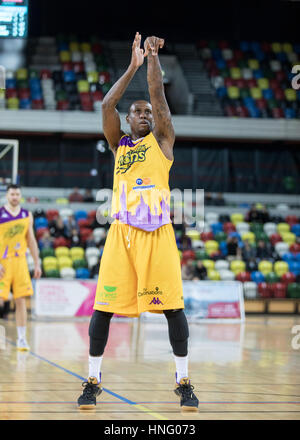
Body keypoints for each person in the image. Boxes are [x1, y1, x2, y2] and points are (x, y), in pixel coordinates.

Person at [77, 33, 198, 412]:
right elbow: (106, 103)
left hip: (158, 235)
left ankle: (183, 381)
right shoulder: (119, 146)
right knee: (103, 310)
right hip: (121, 235)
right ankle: (93, 379)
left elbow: (159, 97)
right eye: (138, 112)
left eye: (148, 112)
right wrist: (131, 67)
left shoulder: (163, 141)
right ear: (128, 120)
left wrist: (150, 60)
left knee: (173, 309)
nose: (145, 114)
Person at [0, 184, 41, 350]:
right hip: (2, 262)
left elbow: (31, 240)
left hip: (20, 261)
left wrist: (37, 262)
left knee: (21, 299)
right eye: (12, 194)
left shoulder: (26, 215)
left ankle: (22, 339)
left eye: (17, 194)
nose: (15, 196)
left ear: (20, 196)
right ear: (7, 196)